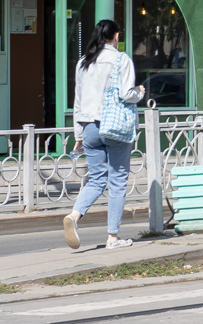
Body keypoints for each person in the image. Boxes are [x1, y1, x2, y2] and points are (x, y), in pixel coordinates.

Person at [64, 19, 145, 251]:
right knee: (117, 180)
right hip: (114, 126)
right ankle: (112, 237)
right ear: (116, 36)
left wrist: (78, 133)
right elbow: (125, 94)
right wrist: (139, 92)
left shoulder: (83, 62)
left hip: (89, 127)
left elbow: (77, 101)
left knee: (97, 178)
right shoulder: (121, 59)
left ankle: (74, 215)